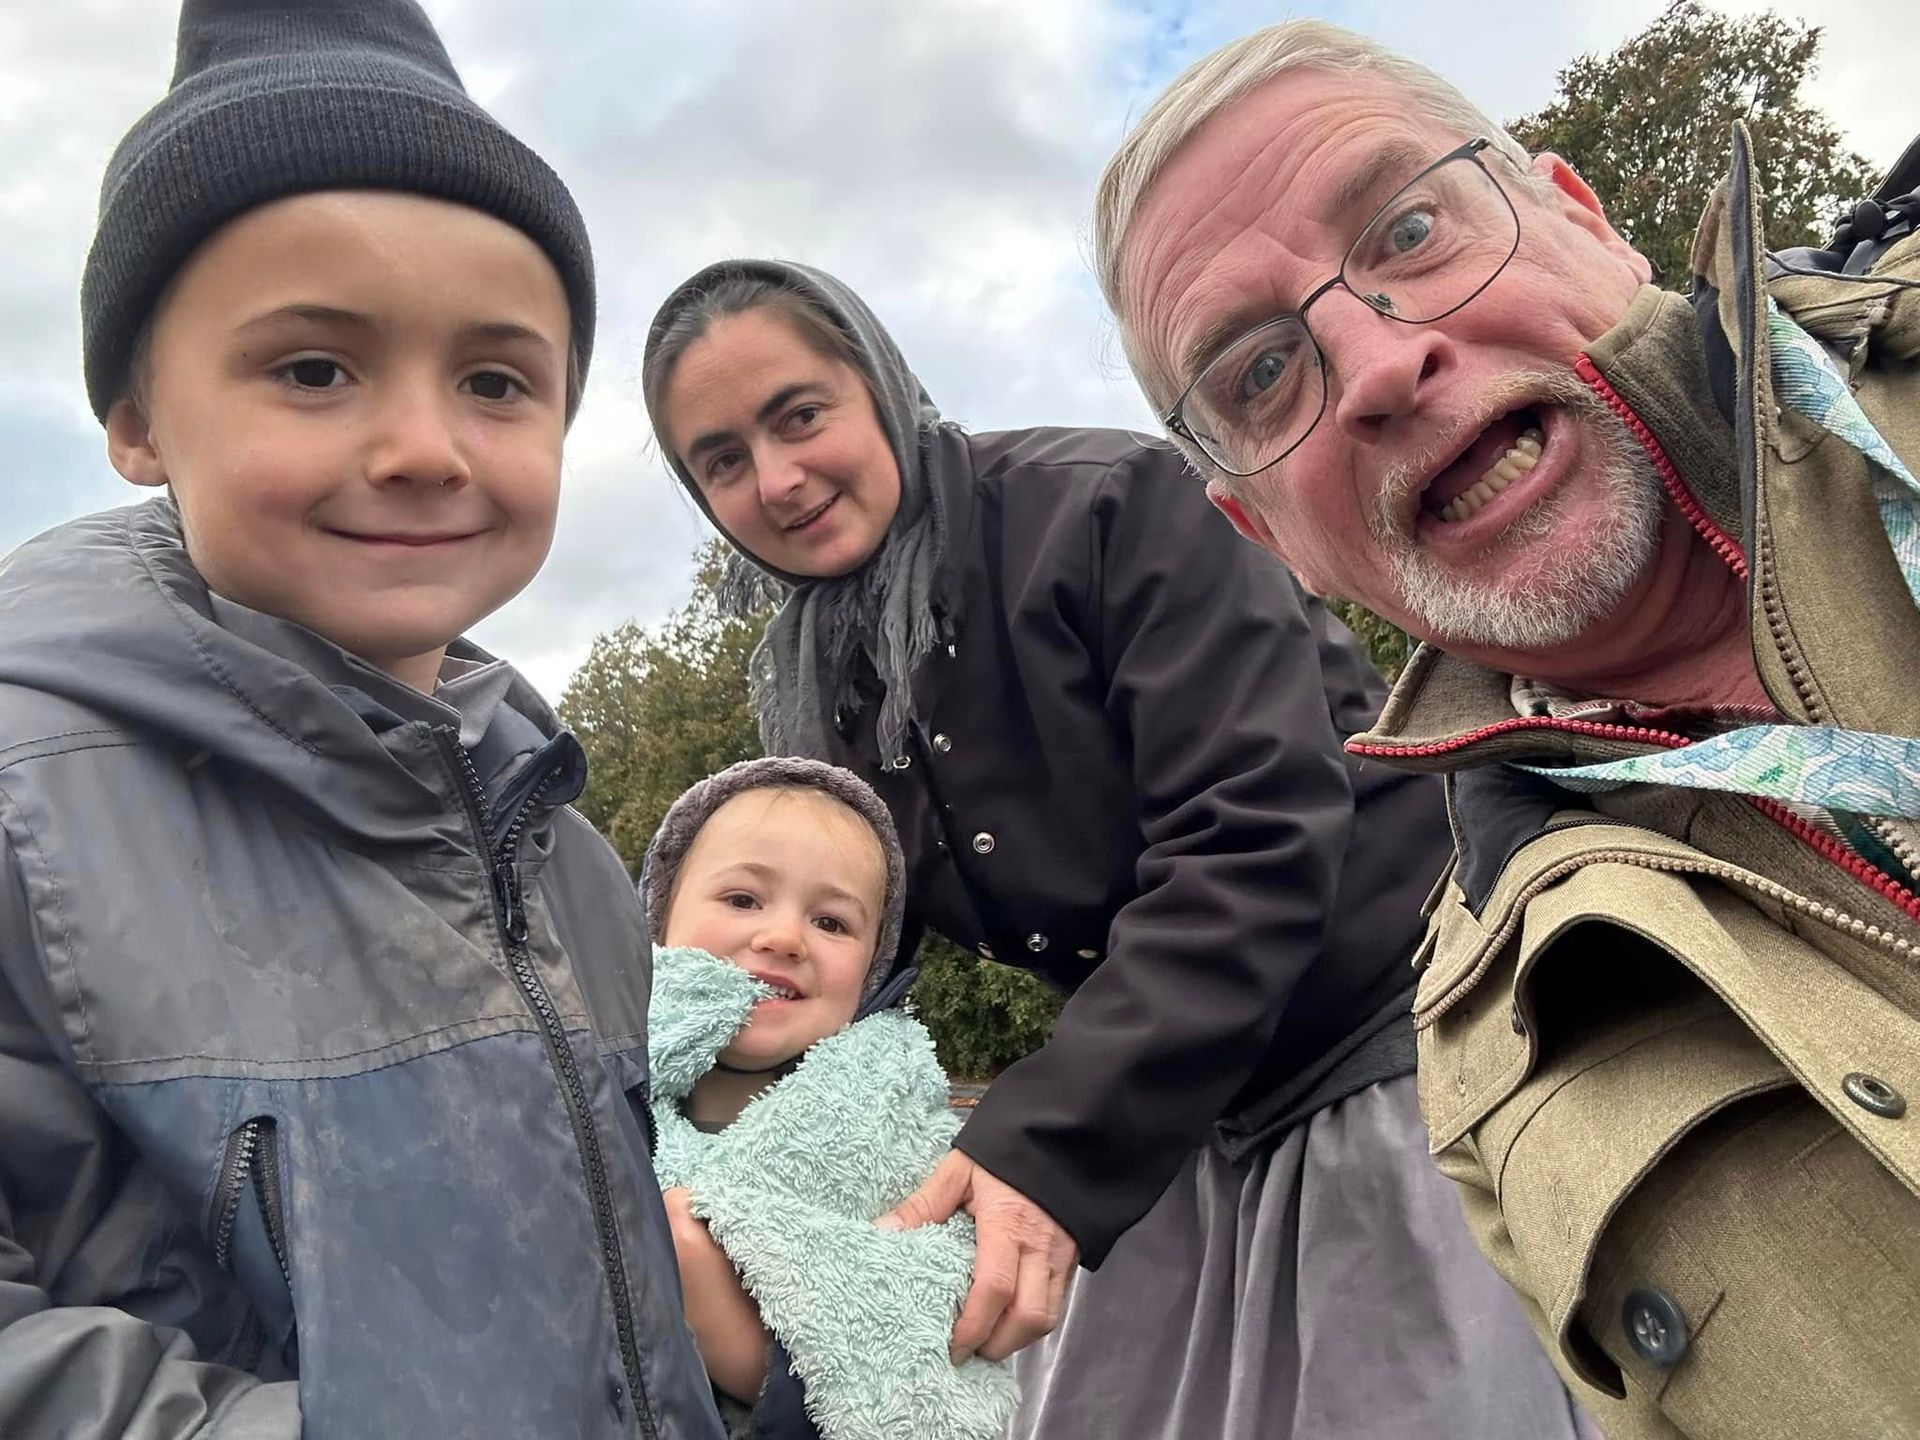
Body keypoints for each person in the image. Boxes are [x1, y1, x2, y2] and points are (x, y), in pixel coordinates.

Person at [1094, 19, 1920, 1440]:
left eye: (1410, 228)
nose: (1373, 365)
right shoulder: (1485, 1067)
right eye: (1259, 377)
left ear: (1582, 215)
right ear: (1265, 533)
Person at [640, 259, 1594, 1438]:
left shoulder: (1109, 503)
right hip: (1170, 1111)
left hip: (1396, 1040)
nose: (777, 480)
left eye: (800, 416)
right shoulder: (817, 687)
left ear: (879, 387)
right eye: (722, 460)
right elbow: (852, 971)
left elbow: (1255, 830)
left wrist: (1049, 1147)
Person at [0, 1, 723, 1434]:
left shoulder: (569, 856)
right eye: (315, 369)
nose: (420, 449)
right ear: (141, 416)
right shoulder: (26, 805)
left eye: (496, 382)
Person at [639, 756, 1016, 1440]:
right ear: (660, 920)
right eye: (743, 900)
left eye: (833, 923)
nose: (783, 938)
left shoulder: (895, 1117)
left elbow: (934, 1310)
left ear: (875, 968)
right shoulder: (597, 1084)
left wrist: (748, 1346)